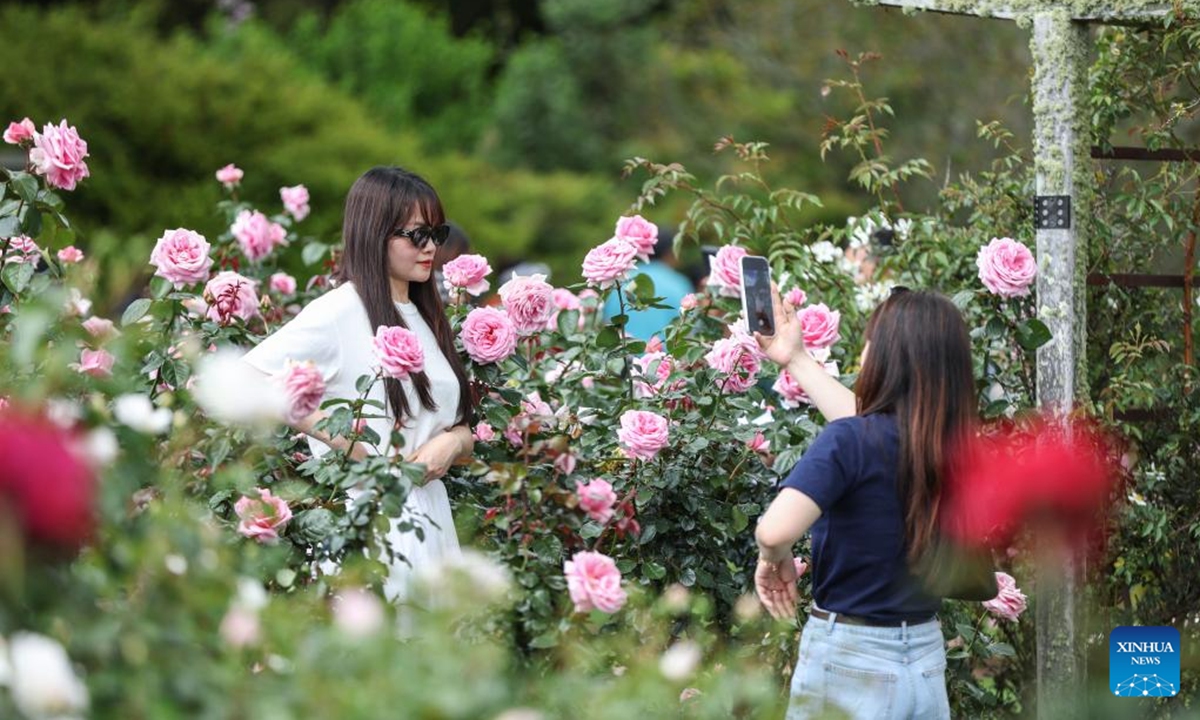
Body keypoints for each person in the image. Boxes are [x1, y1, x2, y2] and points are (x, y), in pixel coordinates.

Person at [242, 166, 477, 602]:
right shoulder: (339, 312)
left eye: (437, 233)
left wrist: (451, 444)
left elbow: (456, 427)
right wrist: (354, 446)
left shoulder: (425, 313)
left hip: (432, 515)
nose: (431, 248)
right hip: (374, 521)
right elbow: (252, 378)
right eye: (416, 235)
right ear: (375, 232)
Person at [752, 286, 974, 720]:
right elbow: (865, 422)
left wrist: (771, 557)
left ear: (885, 354)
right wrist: (795, 358)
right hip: (925, 660)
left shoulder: (849, 441)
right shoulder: (950, 448)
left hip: (850, 660)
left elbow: (774, 530)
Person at [603, 227, 694, 341]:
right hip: (666, 357)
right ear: (670, 252)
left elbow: (606, 324)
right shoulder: (679, 283)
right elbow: (689, 331)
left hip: (624, 356)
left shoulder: (620, 282)